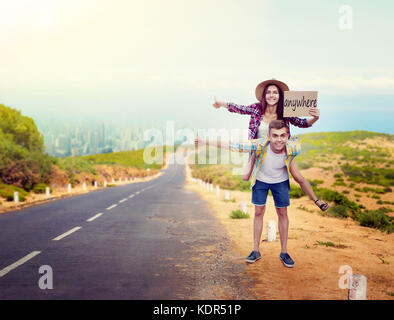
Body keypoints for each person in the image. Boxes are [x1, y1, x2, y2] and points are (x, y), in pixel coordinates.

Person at [195, 119, 329, 267]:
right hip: (261, 180)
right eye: (275, 135)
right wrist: (203, 140)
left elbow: (301, 179)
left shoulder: (293, 148)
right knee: (259, 211)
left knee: (282, 213)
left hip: (281, 181)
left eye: (283, 136)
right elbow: (232, 145)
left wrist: (317, 200)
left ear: (287, 136)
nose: (279, 139)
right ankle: (255, 250)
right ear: (268, 137)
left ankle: (284, 252)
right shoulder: (259, 145)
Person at [213, 79, 320, 183]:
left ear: (280, 96)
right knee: (245, 177)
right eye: (268, 92)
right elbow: (240, 108)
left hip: (279, 150)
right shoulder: (256, 108)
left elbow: (301, 123)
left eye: (275, 92)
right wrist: (221, 103)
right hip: (259, 148)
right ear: (264, 96)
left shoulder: (285, 111)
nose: (271, 95)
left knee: (298, 177)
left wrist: (315, 118)